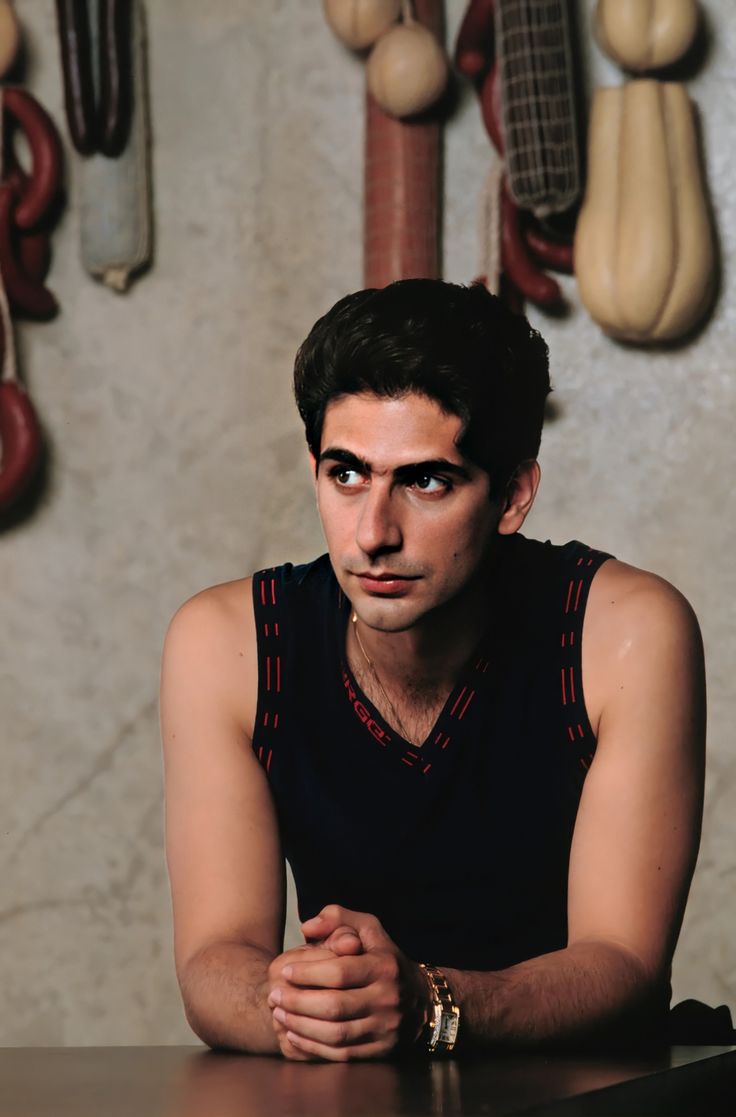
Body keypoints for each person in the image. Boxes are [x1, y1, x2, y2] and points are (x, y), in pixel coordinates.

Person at [160, 279, 705, 1061]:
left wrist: (428, 1005)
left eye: (425, 480)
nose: (373, 531)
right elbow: (216, 961)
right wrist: (316, 1007)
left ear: (513, 495)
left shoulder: (624, 633)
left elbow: (624, 963)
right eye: (346, 474)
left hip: (594, 1094)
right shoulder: (227, 643)